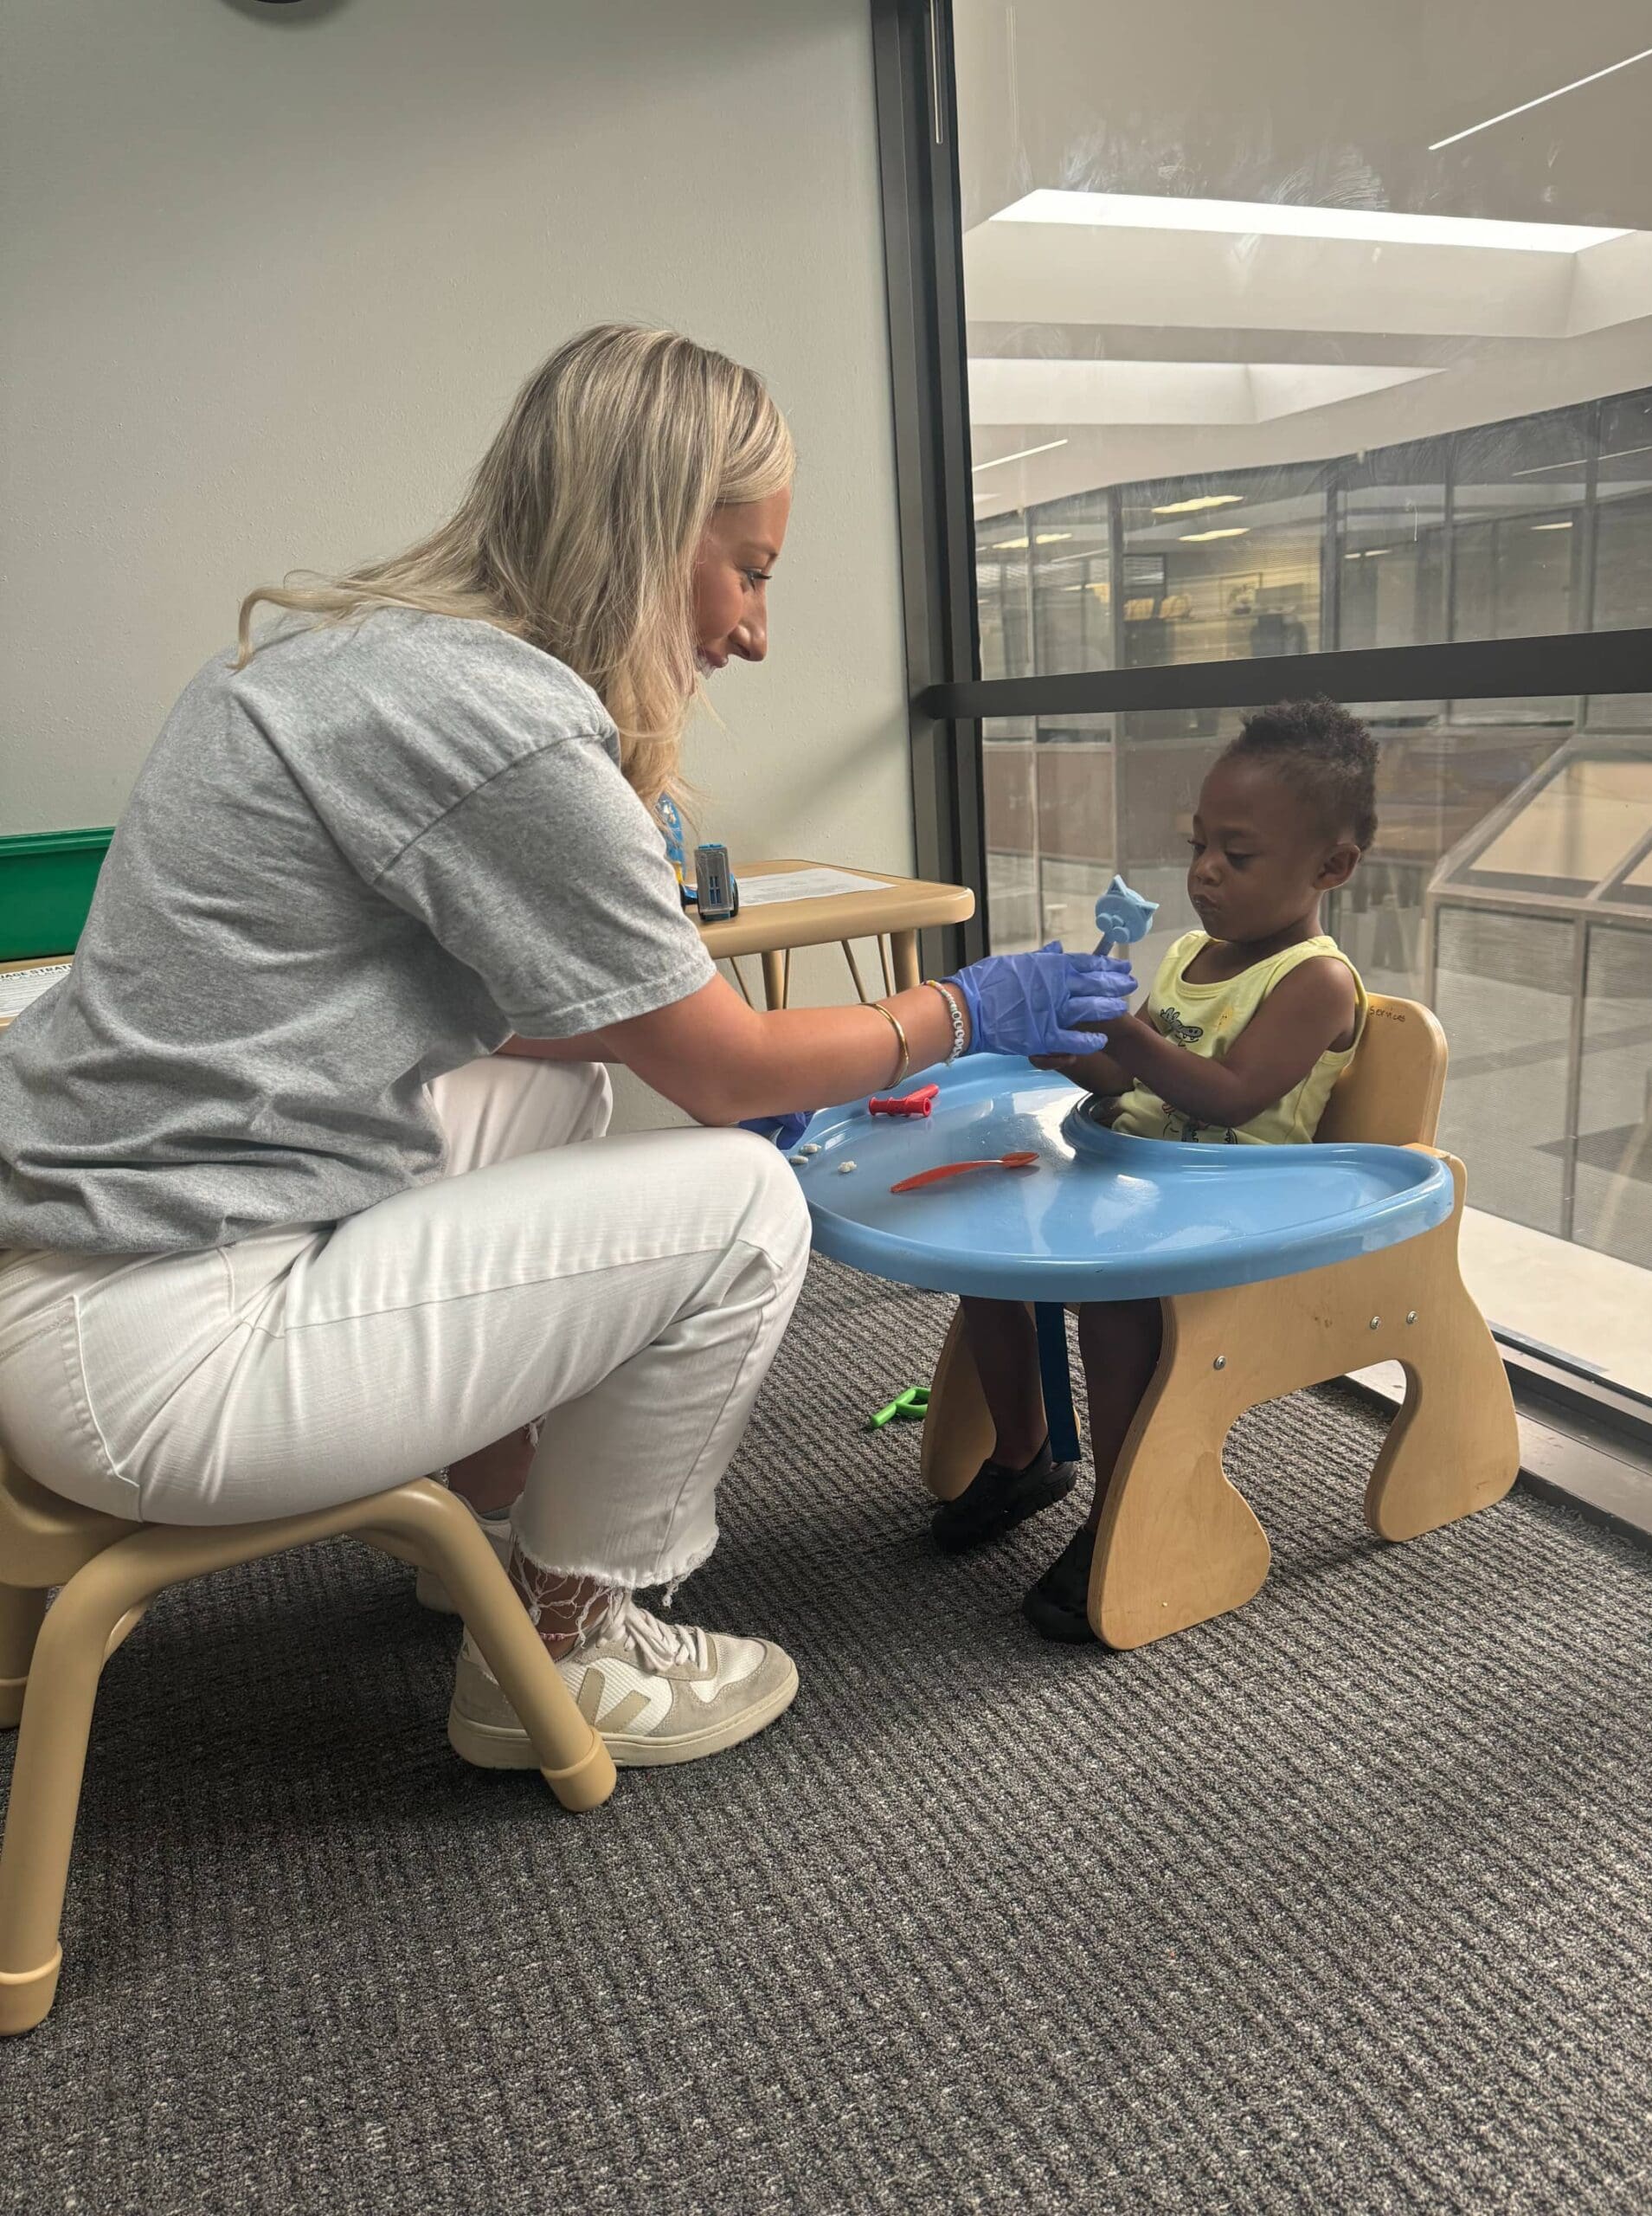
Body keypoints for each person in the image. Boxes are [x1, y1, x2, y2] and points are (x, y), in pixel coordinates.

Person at [0, 325, 1134, 1770]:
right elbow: (722, 1070)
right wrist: (974, 1010)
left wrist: (682, 1016)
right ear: (658, 537)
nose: (756, 632)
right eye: (753, 570)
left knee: (551, 1084)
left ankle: (475, 1526)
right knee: (742, 1206)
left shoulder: (349, 664)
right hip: (158, 1358)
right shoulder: (509, 726)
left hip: (77, 1267)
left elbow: (537, 1018)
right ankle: (565, 1647)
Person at [935, 701, 1378, 1642]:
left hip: (1234, 1213)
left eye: (1239, 855)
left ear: (1331, 868)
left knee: (1117, 1304)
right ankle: (1027, 1452)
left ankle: (1120, 1513)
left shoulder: (1316, 981)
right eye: (1200, 845)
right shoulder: (1187, 952)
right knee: (983, 1247)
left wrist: (1126, 1027)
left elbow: (1227, 1097)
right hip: (1143, 1182)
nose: (1206, 871)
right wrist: (1069, 1045)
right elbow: (1127, 1080)